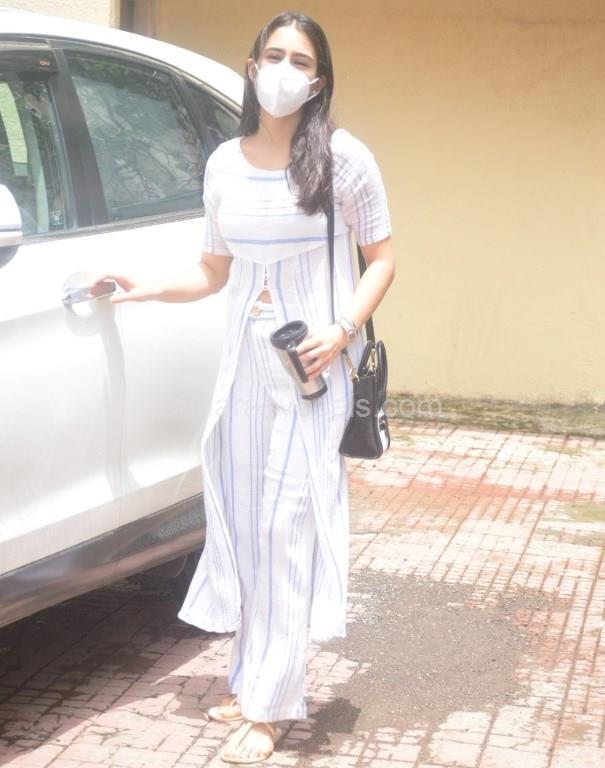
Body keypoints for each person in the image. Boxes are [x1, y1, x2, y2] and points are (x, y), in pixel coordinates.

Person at [92, 11, 395, 764]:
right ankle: (251, 674)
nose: (286, 70)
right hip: (245, 372)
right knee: (245, 525)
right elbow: (211, 272)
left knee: (284, 530)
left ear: (318, 81)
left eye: (302, 61)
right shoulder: (225, 163)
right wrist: (142, 286)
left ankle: (269, 704)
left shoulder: (345, 159)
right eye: (274, 56)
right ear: (252, 66)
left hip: (312, 372)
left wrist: (342, 328)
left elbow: (383, 258)